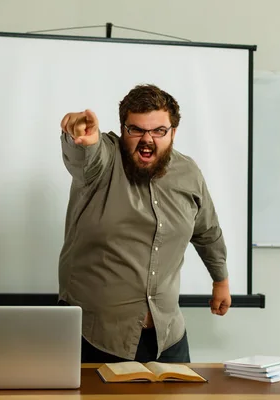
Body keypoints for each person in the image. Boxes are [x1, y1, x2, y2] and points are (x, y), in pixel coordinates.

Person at [57, 84, 230, 364]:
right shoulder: (104, 159)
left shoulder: (188, 173)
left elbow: (207, 231)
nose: (146, 139)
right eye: (135, 129)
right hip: (95, 337)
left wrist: (220, 280)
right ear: (123, 129)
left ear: (173, 132)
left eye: (158, 130)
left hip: (168, 338)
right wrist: (78, 136)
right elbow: (83, 159)